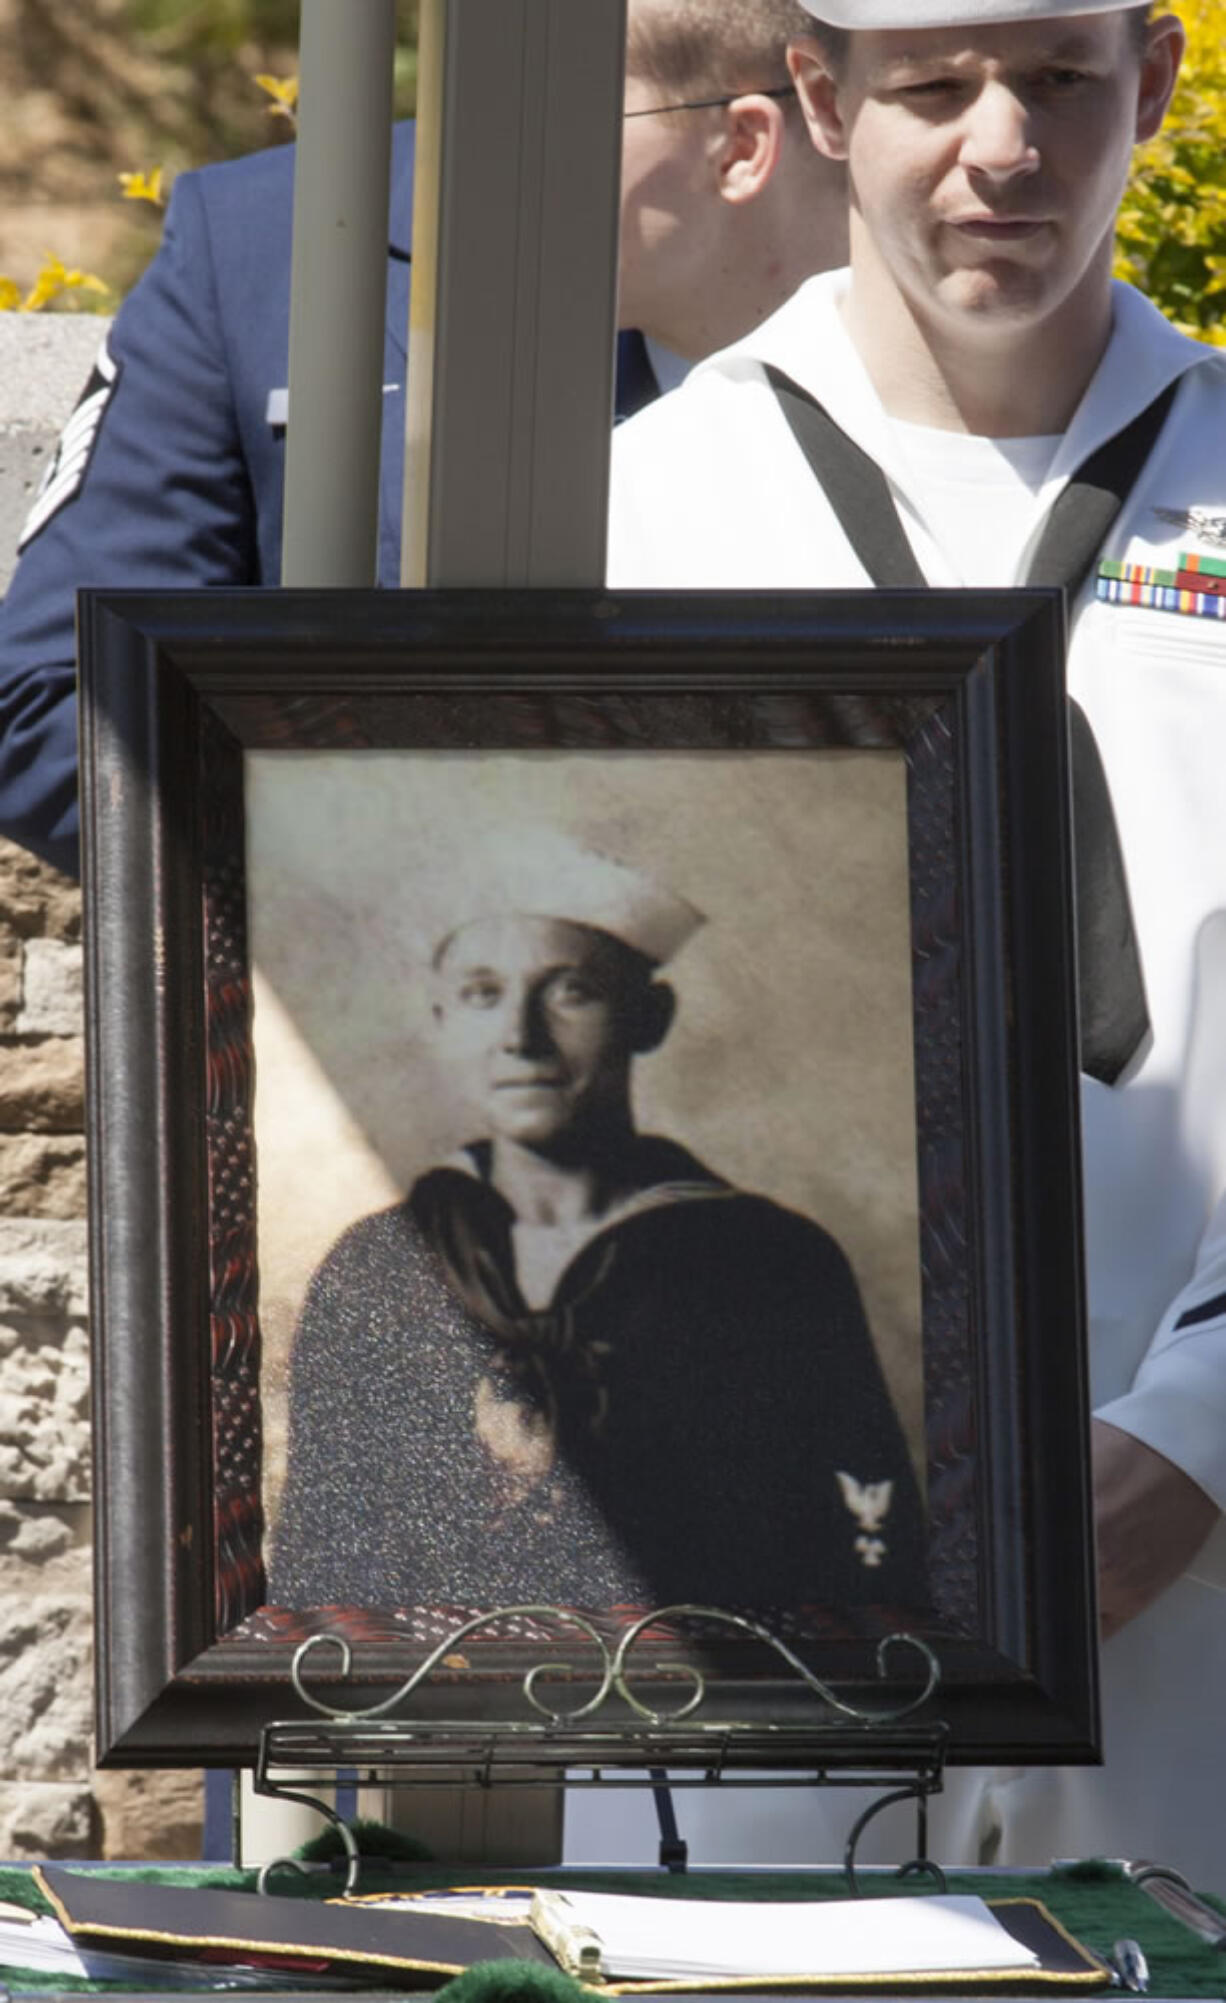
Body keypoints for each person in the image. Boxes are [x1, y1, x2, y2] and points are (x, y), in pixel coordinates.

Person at [607, 0, 1226, 1883]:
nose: (1001, 146)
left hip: (1196, 1577)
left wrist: (1194, 1441)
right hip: (741, 1568)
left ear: (1156, 79)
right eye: (933, 86)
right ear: (815, 97)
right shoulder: (637, 517)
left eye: (1053, 78)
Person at [0, 0, 845, 879]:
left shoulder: (954, 252)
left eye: (549, 103)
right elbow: (56, 707)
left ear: (747, 146)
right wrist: (416, 883)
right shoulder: (266, 244)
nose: (478, 146)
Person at [267, 834, 925, 1616]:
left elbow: (867, 1543)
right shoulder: (383, 1265)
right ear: (442, 1018)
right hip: (443, 1715)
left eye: (570, 989)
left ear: (649, 1016)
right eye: (483, 993)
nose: (522, 1037)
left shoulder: (767, 1260)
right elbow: (325, 1555)